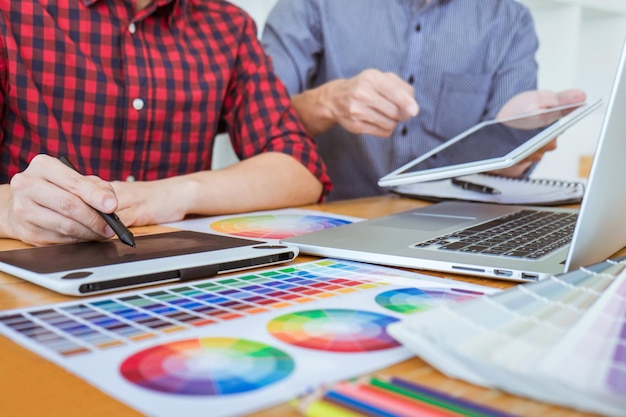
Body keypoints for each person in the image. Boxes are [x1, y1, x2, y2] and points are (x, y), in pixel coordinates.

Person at [0, 0, 332, 247]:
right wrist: (11, 211)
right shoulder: (13, 12)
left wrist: (172, 195)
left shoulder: (228, 25)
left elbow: (301, 168)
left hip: (170, 277)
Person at [261, 0, 586, 202]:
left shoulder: (508, 20)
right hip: (328, 222)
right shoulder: (313, 5)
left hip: (451, 228)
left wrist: (515, 146)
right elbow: (258, 126)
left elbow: (500, 171)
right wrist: (328, 102)